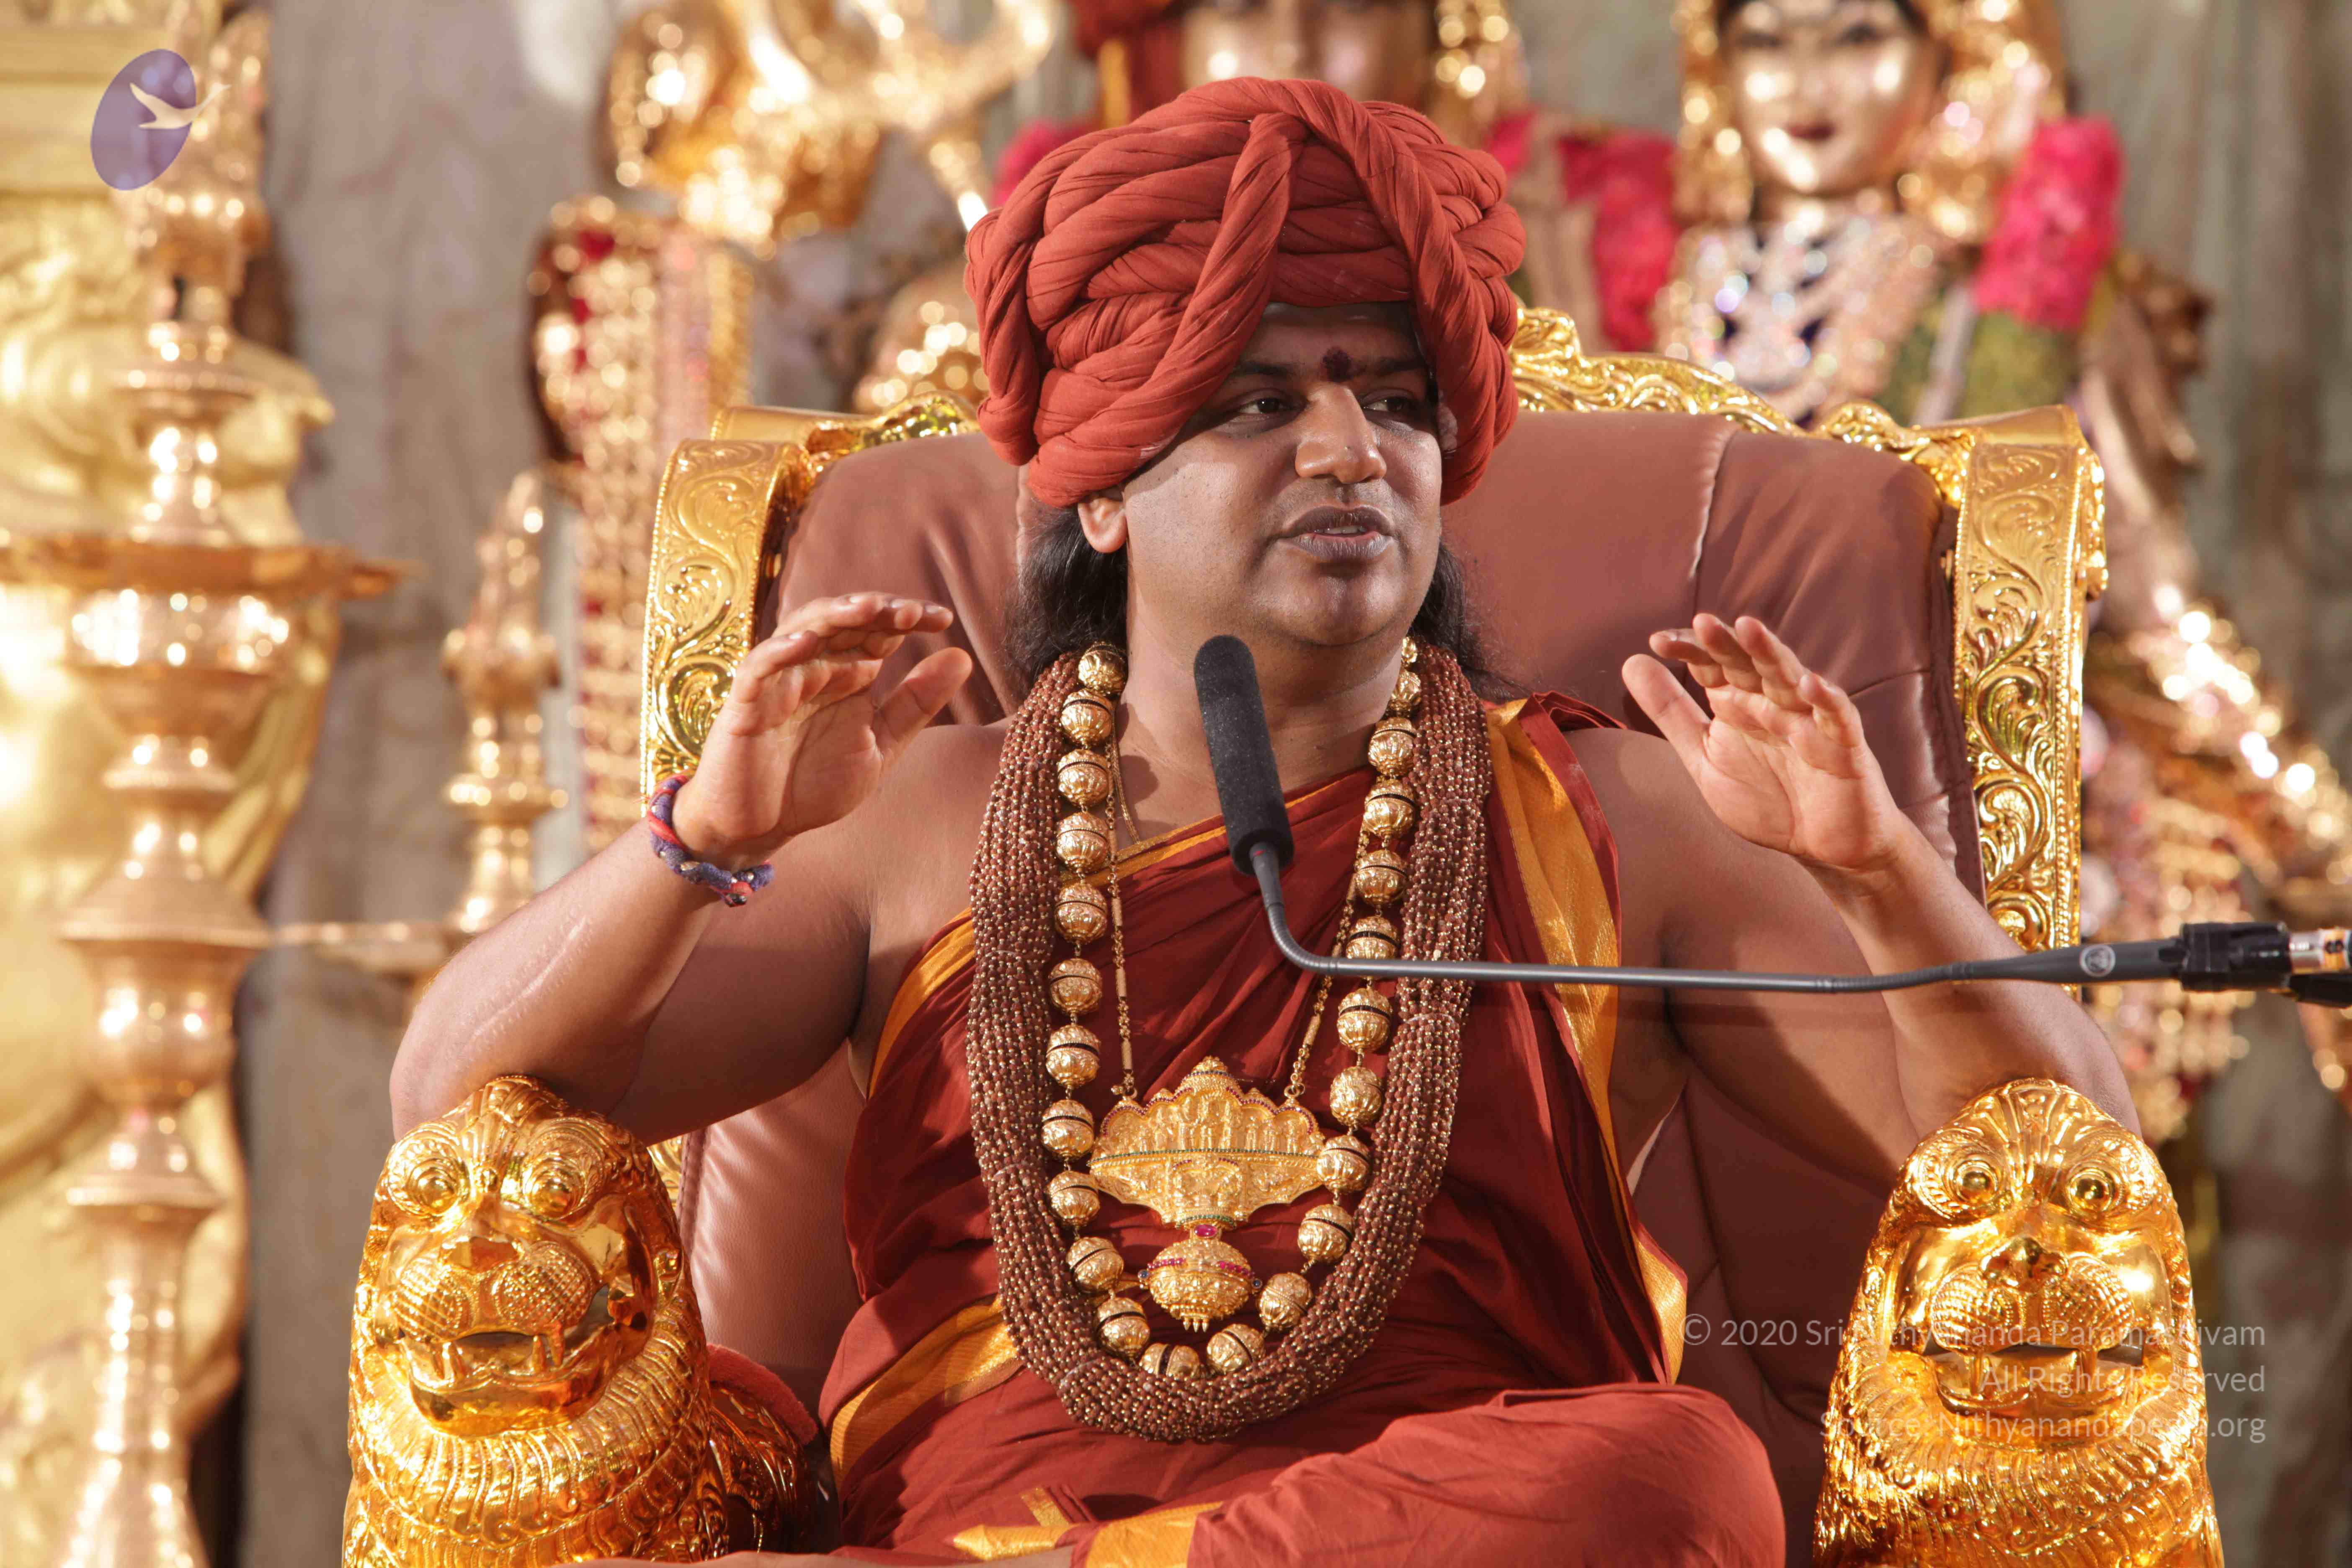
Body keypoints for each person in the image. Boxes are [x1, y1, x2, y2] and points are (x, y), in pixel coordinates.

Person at [392, 77, 2131, 1567]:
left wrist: (1879, 871)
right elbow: (452, 1106)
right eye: (1259, 403)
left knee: (1672, 1472)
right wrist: (697, 838)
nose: (1351, 450)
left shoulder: (1624, 816)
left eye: (1396, 399)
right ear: (1102, 494)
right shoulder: (916, 817)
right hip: (986, 1509)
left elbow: (2058, 1164)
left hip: (1448, 1531)